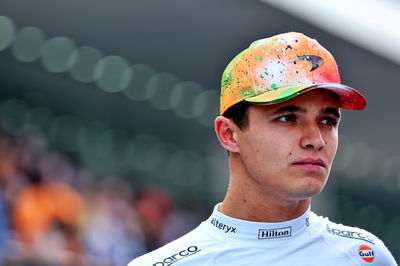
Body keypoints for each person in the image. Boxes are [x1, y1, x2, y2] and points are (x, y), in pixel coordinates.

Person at [127, 32, 397, 265]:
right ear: (229, 134)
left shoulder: (365, 256)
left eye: (327, 121)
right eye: (287, 118)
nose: (316, 139)